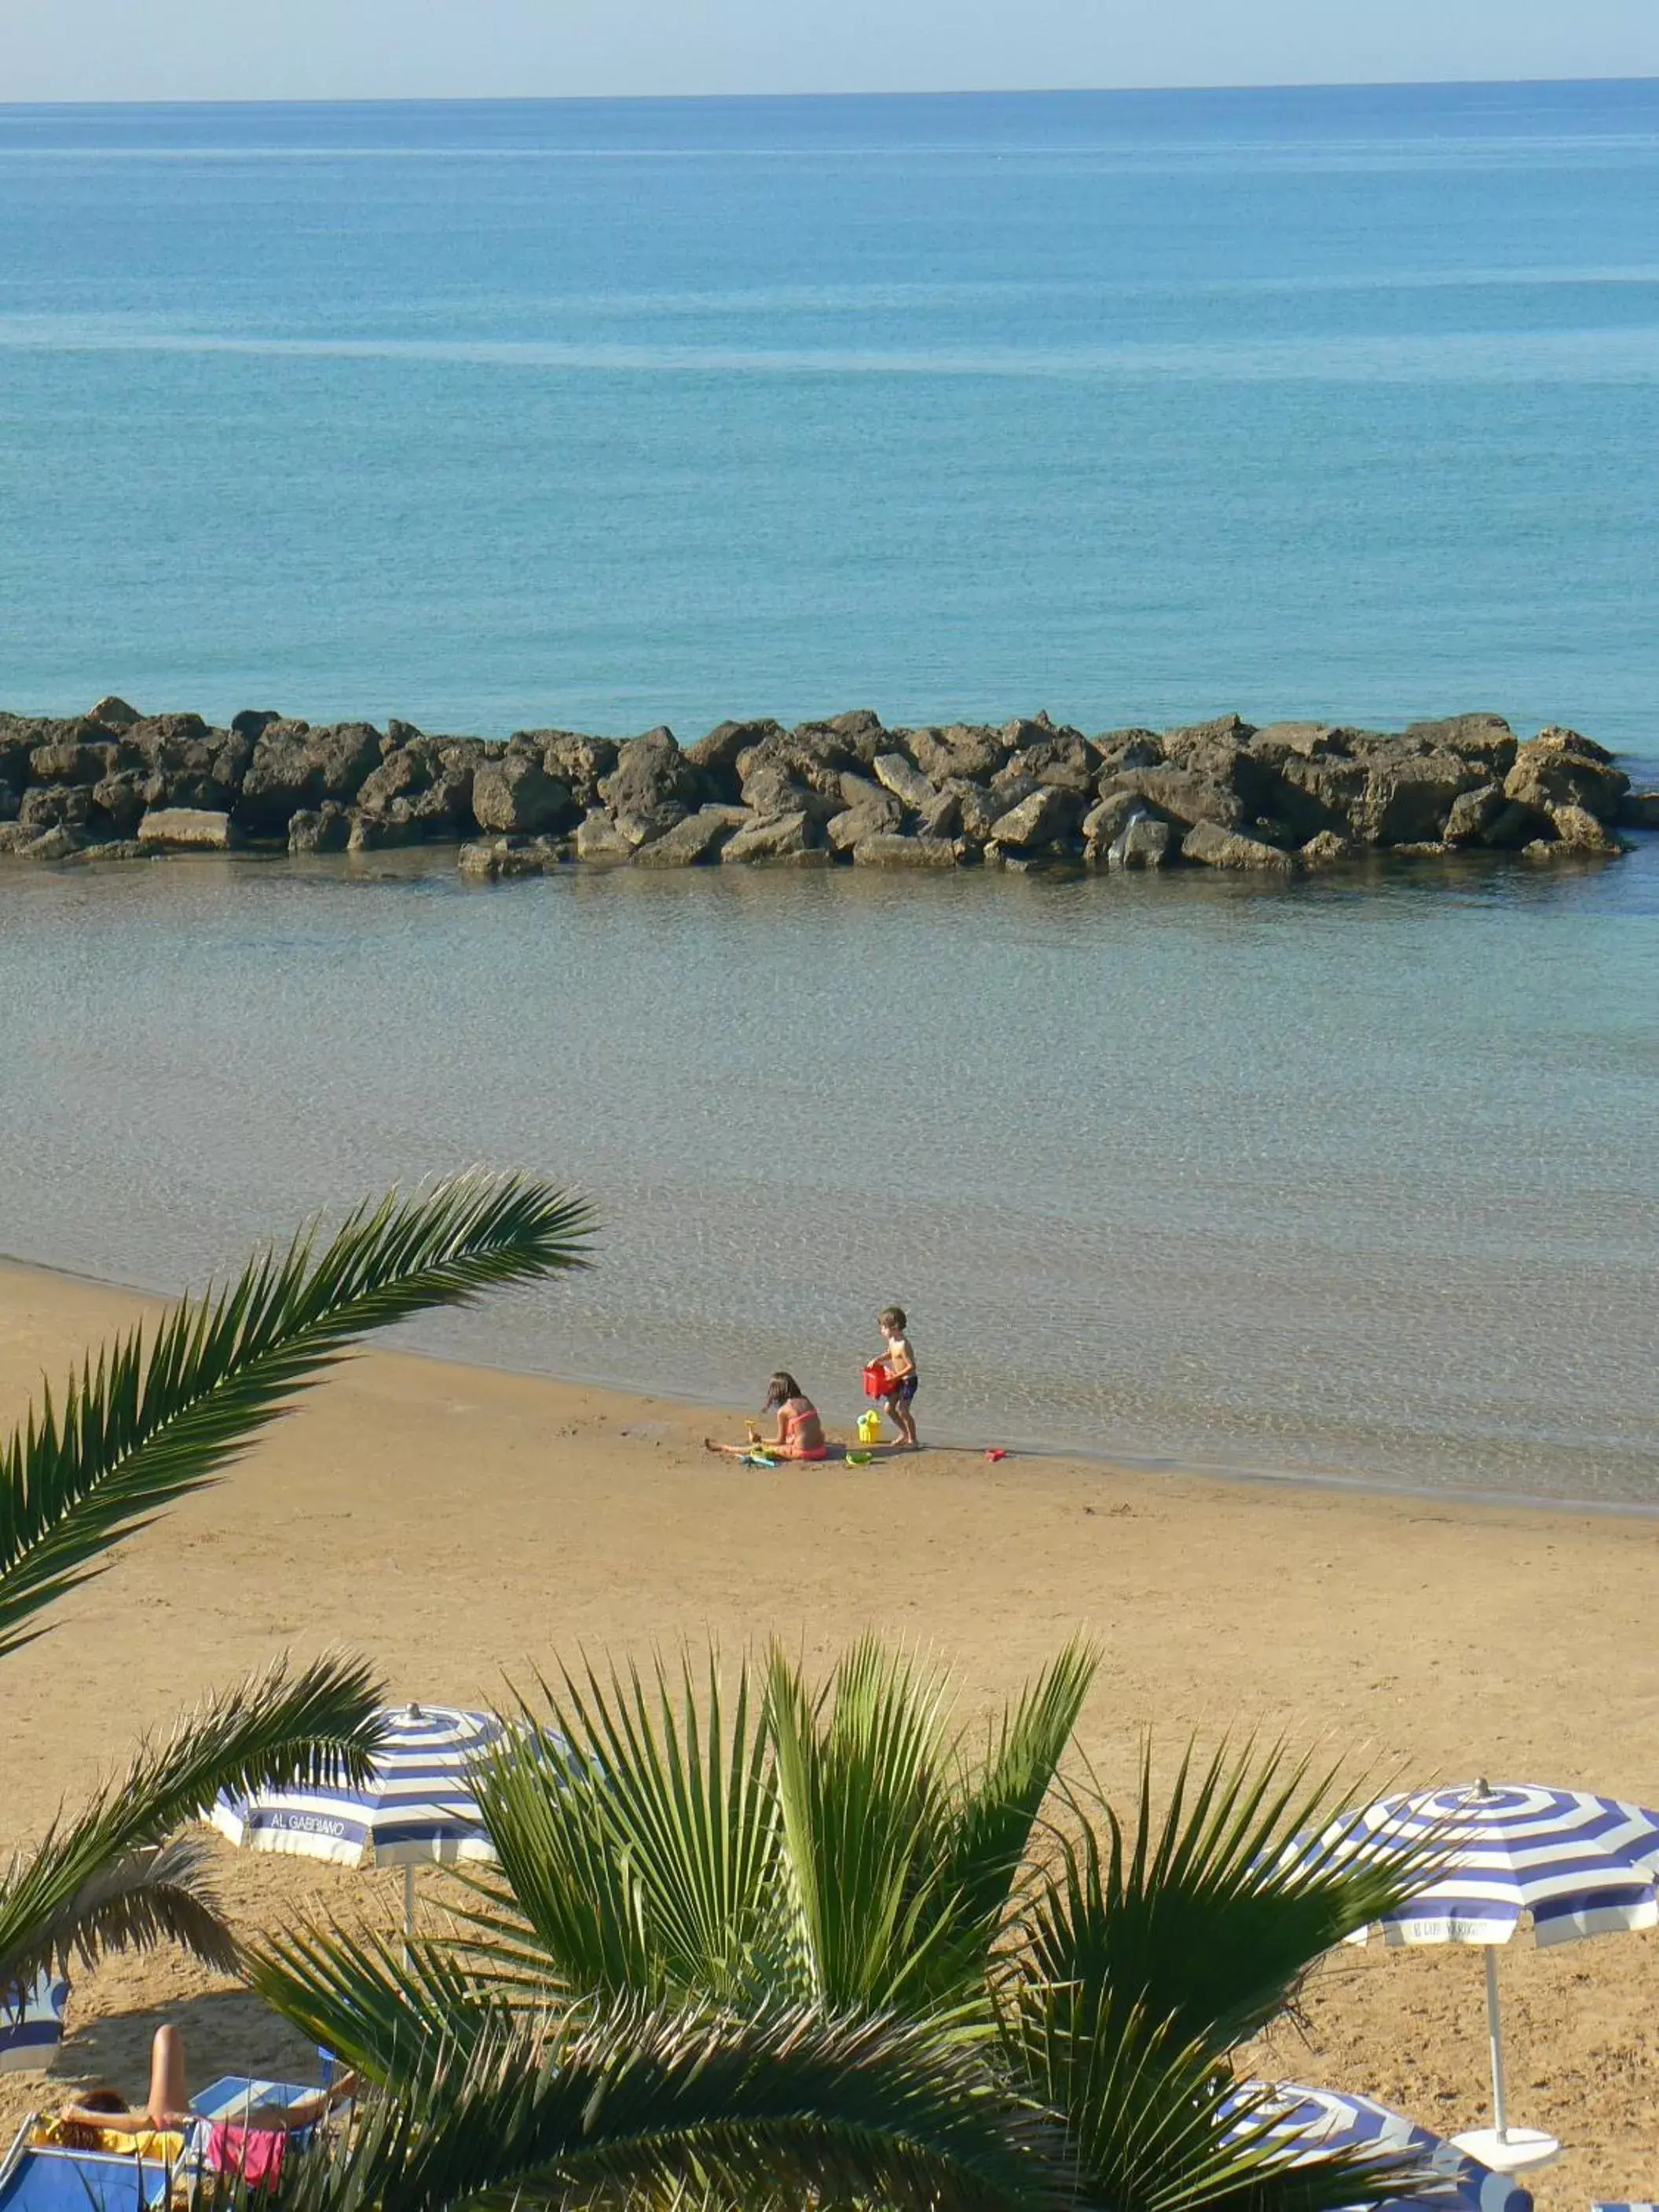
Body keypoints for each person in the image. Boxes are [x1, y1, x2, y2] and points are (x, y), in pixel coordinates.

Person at [56, 2024, 355, 2144]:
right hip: (193, 2137)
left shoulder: (76, 2159)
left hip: (190, 2131)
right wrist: (82, 2115)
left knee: (274, 2115)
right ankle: (337, 2093)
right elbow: (145, 2120)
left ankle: (338, 2092)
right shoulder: (139, 2133)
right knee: (276, 2115)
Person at [705, 1373, 828, 1461]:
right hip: (821, 1450)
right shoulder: (805, 1400)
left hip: (806, 1453)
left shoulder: (784, 1411)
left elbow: (780, 1441)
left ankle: (724, 1447)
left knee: (760, 1448)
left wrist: (760, 1440)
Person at [876, 1306, 919, 1448]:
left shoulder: (903, 1344)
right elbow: (891, 1354)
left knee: (904, 1411)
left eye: (883, 1328)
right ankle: (903, 1433)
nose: (881, 1331)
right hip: (898, 1380)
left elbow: (911, 1366)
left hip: (908, 1382)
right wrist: (877, 1360)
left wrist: (896, 1378)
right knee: (889, 1408)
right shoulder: (892, 1341)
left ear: (894, 1327)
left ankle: (913, 1440)